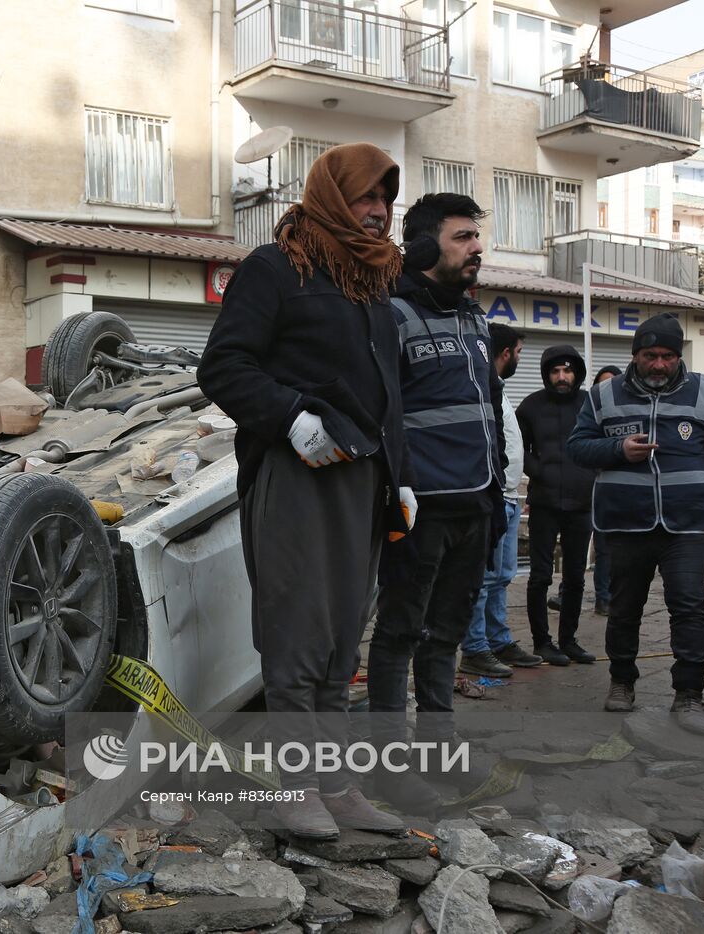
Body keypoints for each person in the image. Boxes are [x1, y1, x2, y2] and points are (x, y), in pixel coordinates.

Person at [197, 143, 412, 838]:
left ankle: (337, 788)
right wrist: (290, 417)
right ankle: (293, 792)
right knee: (297, 636)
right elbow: (223, 367)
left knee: (342, 639)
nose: (377, 211)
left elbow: (389, 397)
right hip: (299, 473)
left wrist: (400, 479)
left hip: (364, 476)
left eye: (385, 197)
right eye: (363, 197)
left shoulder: (374, 284)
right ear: (329, 196)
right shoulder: (274, 269)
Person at [366, 192, 504, 813]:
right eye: (462, 237)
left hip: (475, 506)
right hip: (419, 509)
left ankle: (438, 753)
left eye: (477, 236)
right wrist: (394, 494)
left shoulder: (475, 319)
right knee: (399, 633)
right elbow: (379, 414)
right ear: (423, 247)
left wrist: (497, 492)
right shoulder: (389, 314)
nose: (476, 248)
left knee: (447, 633)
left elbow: (488, 413)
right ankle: (390, 769)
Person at [567, 313, 704, 734]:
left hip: (687, 527)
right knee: (624, 608)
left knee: (688, 607)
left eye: (668, 355)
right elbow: (577, 448)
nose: (660, 364)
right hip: (625, 524)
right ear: (635, 356)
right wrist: (617, 449)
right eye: (650, 355)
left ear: (678, 355)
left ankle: (689, 695)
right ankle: (621, 682)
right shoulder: (603, 396)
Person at [459, 324, 544, 678]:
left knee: (502, 576)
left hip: (508, 497)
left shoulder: (499, 389)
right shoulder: (477, 386)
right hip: (491, 497)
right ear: (506, 352)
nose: (520, 359)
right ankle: (475, 648)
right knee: (483, 577)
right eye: (520, 352)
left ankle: (498, 640)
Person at [516, 346, 598, 667]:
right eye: (555, 371)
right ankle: (542, 642)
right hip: (545, 502)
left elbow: (603, 441)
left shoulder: (590, 404)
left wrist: (592, 472)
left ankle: (569, 640)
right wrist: (538, 471)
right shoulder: (531, 406)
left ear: (577, 372)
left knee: (576, 576)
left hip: (582, 503)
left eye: (567, 370)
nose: (562, 377)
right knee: (539, 577)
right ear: (546, 374)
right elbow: (516, 446)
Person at [590, 365, 622, 615]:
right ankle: (603, 597)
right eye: (602, 383)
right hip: (596, 490)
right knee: (603, 549)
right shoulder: (590, 413)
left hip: (626, 492)